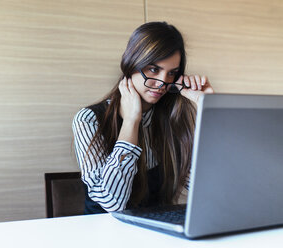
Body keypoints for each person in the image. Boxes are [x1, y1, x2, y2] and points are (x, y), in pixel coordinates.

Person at [72, 22, 214, 214]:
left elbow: (207, 189)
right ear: (131, 64)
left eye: (171, 73)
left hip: (156, 232)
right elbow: (112, 203)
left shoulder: (172, 118)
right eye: (153, 70)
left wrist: (210, 109)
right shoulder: (89, 120)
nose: (162, 83)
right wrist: (131, 121)